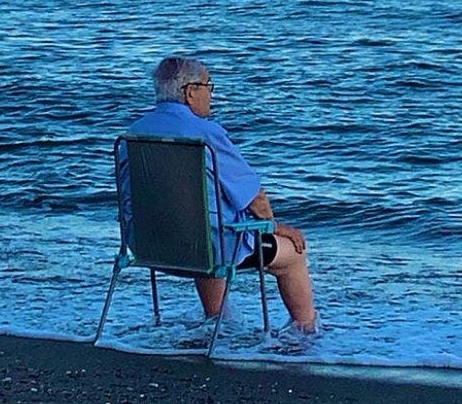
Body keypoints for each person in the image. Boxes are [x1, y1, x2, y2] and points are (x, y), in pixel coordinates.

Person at [119, 57, 318, 333]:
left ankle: (218, 321)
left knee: (204, 223)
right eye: (208, 86)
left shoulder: (134, 133)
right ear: (190, 92)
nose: (211, 94)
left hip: (148, 246)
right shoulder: (206, 134)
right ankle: (306, 332)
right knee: (294, 253)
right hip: (206, 251)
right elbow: (255, 198)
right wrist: (274, 228)